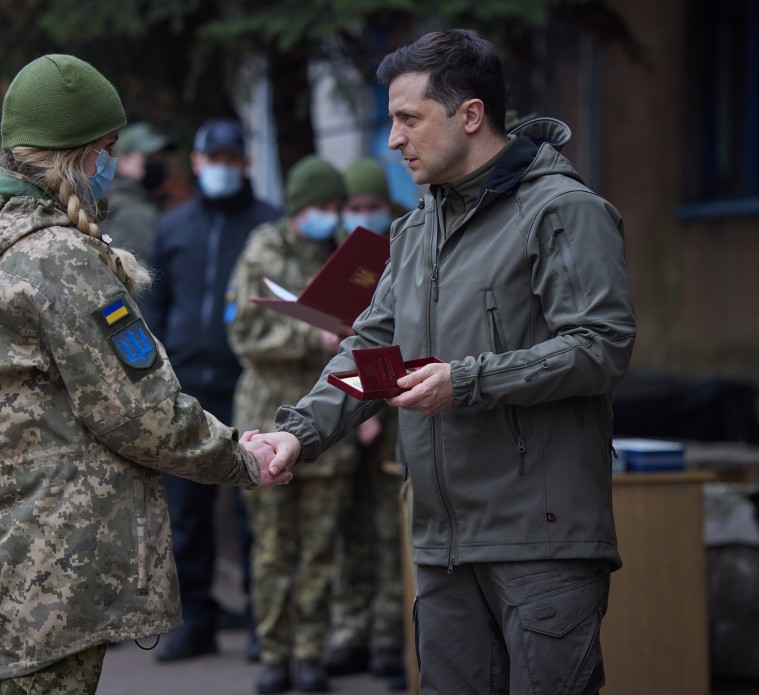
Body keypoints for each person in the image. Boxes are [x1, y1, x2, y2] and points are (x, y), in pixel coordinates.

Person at [256, 28, 636, 695]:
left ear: (470, 115)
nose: (393, 139)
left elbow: (599, 346)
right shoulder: (414, 230)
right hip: (442, 544)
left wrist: (466, 381)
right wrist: (298, 433)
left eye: (409, 119)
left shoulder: (562, 211)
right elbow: (370, 349)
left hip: (538, 542)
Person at [0, 54, 290, 694]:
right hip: (55, 550)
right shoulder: (58, 256)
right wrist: (240, 457)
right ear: (78, 155)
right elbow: (139, 410)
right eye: (108, 150)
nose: (112, 165)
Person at [142, 117, 282, 663]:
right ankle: (196, 622)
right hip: (186, 388)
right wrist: (157, 369)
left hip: (248, 385)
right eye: (212, 158)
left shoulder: (268, 224)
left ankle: (262, 622)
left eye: (230, 158)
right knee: (187, 514)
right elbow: (156, 301)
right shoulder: (174, 225)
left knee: (255, 512)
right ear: (197, 163)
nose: (221, 168)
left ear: (244, 162)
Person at [227, 154, 360, 695]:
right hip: (267, 422)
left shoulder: (348, 256)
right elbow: (243, 334)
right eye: (319, 205)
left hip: (330, 427)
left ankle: (309, 655)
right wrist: (313, 338)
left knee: (321, 549)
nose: (328, 214)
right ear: (298, 207)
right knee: (272, 549)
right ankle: (274, 654)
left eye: (335, 204)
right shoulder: (263, 250)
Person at [323, 158, 407, 686]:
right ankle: (349, 631)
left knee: (390, 527)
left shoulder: (405, 246)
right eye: (354, 206)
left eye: (372, 205)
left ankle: (390, 639)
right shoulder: (330, 253)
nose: (363, 214)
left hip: (393, 409)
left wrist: (374, 405)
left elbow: (399, 335)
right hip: (341, 410)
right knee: (348, 528)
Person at [104, 121, 174, 265]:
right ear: (122, 161)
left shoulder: (134, 200)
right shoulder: (130, 210)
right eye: (150, 158)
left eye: (161, 157)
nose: (158, 163)